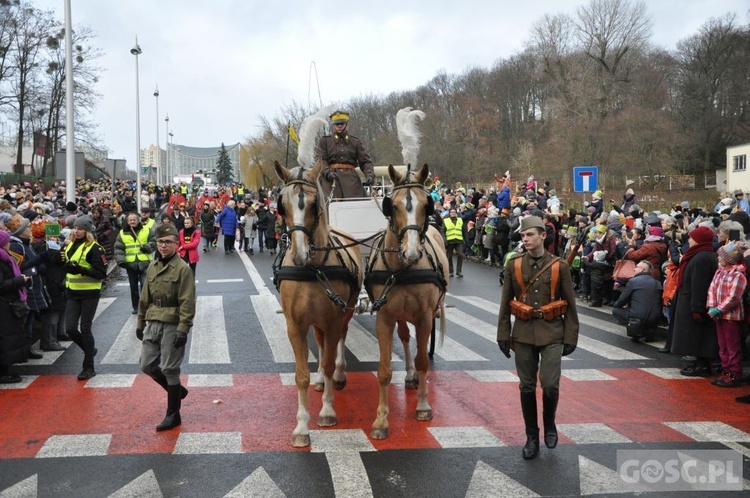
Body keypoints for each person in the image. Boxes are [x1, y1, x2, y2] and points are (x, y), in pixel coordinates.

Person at [497, 215, 579, 460]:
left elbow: (571, 305)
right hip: (522, 333)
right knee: (527, 386)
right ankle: (532, 436)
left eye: (530, 234)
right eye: (523, 235)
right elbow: (504, 303)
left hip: (553, 331)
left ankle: (550, 424)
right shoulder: (514, 264)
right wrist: (503, 334)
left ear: (543, 235)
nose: (525, 239)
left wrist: (571, 337)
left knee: (551, 384)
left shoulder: (559, 266)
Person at [136, 222, 196, 431]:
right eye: (160, 242)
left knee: (170, 369)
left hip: (172, 321)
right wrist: (140, 321)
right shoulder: (153, 266)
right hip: (153, 320)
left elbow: (188, 301)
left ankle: (173, 414)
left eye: (168, 242)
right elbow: (145, 296)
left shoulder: (182, 269)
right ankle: (177, 391)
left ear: (177, 245)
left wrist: (183, 328)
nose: (163, 246)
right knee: (146, 365)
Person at [670, 227, 719, 377]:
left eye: (692, 238)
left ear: (698, 240)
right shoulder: (701, 254)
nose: (689, 240)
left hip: (693, 301)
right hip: (690, 299)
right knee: (696, 335)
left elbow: (700, 284)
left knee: (696, 336)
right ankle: (699, 363)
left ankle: (699, 365)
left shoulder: (701, 257)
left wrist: (697, 307)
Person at [63, 215, 107, 380]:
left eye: (80, 228)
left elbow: (101, 273)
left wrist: (81, 269)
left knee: (86, 329)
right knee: (70, 329)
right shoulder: (71, 244)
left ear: (87, 231)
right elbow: (66, 263)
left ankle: (88, 367)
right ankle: (90, 350)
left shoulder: (95, 248)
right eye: (75, 228)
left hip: (89, 293)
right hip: (72, 292)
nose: (76, 231)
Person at [706, 242, 746, 387]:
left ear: (729, 259)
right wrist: (711, 306)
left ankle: (734, 373)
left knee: (732, 346)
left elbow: (734, 296)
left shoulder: (738, 275)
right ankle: (725, 371)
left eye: (721, 257)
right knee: (722, 345)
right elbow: (711, 289)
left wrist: (720, 309)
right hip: (719, 315)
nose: (718, 259)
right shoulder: (720, 272)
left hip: (731, 316)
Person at [317, 110, 375, 199]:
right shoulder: (325, 141)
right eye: (337, 124)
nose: (339, 126)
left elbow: (365, 161)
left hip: (352, 183)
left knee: (357, 207)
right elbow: (321, 160)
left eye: (342, 123)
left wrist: (369, 175)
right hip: (330, 182)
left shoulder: (355, 142)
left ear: (346, 124)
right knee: (327, 206)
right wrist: (328, 173)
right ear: (333, 125)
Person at [0, 230, 31, 383]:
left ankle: (5, 370)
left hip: (8, 303)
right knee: (5, 337)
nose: (9, 244)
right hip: (4, 304)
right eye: (7, 241)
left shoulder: (6, 257)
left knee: (8, 336)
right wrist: (20, 280)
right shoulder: (1, 259)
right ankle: (3, 372)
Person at [114, 212, 156, 314]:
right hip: (130, 264)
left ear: (138, 220)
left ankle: (145, 305)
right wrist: (121, 261)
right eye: (130, 220)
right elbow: (119, 248)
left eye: (134, 220)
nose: (132, 221)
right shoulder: (122, 233)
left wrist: (147, 247)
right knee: (133, 287)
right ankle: (136, 306)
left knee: (145, 285)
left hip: (144, 262)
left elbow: (154, 242)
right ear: (127, 222)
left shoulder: (146, 230)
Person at [612, 260, 663, 342]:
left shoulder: (633, 281)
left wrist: (617, 305)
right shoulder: (657, 283)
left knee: (616, 310)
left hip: (639, 317)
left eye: (637, 267)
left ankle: (636, 330)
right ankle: (649, 329)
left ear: (643, 270)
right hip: (655, 317)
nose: (634, 269)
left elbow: (622, 299)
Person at [443, 208, 465, 277]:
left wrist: (465, 240)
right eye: (451, 212)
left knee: (460, 255)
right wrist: (445, 240)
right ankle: (450, 271)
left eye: (454, 212)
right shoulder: (445, 221)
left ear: (456, 213)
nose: (453, 213)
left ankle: (459, 271)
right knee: (449, 256)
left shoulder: (460, 220)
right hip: (450, 241)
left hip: (458, 240)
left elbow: (464, 230)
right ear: (449, 213)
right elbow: (443, 231)